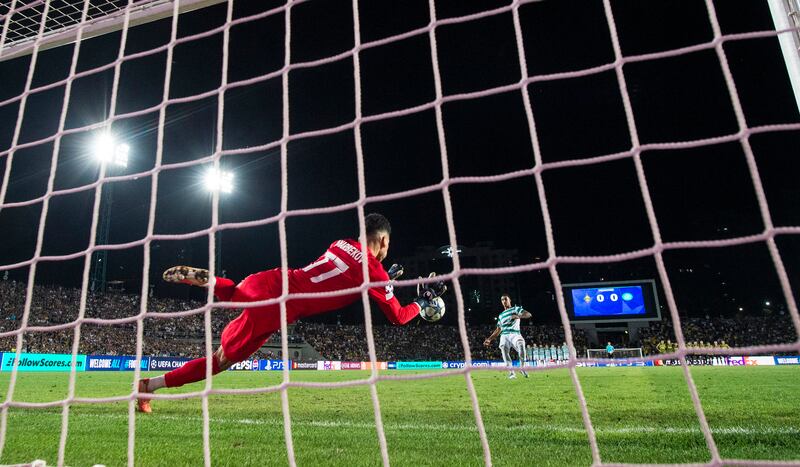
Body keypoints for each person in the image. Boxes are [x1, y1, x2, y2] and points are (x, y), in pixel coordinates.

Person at [137, 213, 446, 413]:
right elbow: (398, 316)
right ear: (383, 241)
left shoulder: (339, 244)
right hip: (279, 307)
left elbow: (351, 273)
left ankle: (217, 283)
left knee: (236, 296)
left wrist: (384, 278)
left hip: (270, 279)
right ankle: (150, 387)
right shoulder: (375, 273)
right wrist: (423, 301)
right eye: (387, 246)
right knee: (219, 362)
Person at [483, 294, 531, 379]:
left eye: (505, 299)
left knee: (521, 344)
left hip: (515, 333)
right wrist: (489, 339)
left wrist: (518, 316)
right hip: (504, 335)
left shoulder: (515, 309)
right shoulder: (501, 315)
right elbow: (498, 329)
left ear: (510, 300)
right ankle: (511, 373)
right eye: (502, 300)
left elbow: (528, 314)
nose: (504, 301)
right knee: (504, 349)